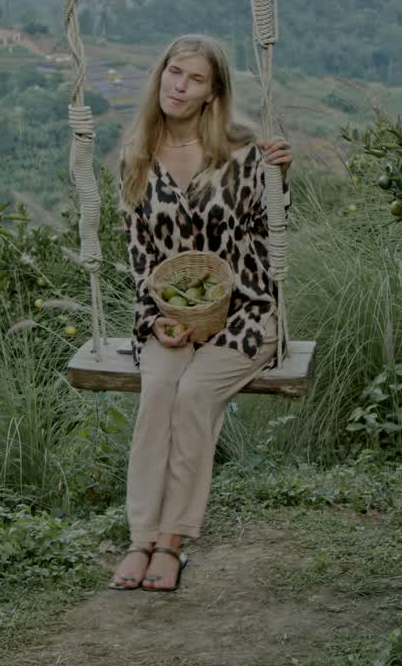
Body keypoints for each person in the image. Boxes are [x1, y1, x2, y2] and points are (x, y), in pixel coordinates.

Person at [109, 34, 292, 592]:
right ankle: (140, 539)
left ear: (213, 94)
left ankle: (171, 542)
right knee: (158, 394)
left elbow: (274, 232)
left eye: (194, 79)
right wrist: (155, 320)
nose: (179, 86)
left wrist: (280, 180)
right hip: (169, 314)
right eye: (174, 72)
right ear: (160, 74)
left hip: (245, 313)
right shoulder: (137, 154)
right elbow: (140, 256)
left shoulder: (242, 153)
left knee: (191, 396)